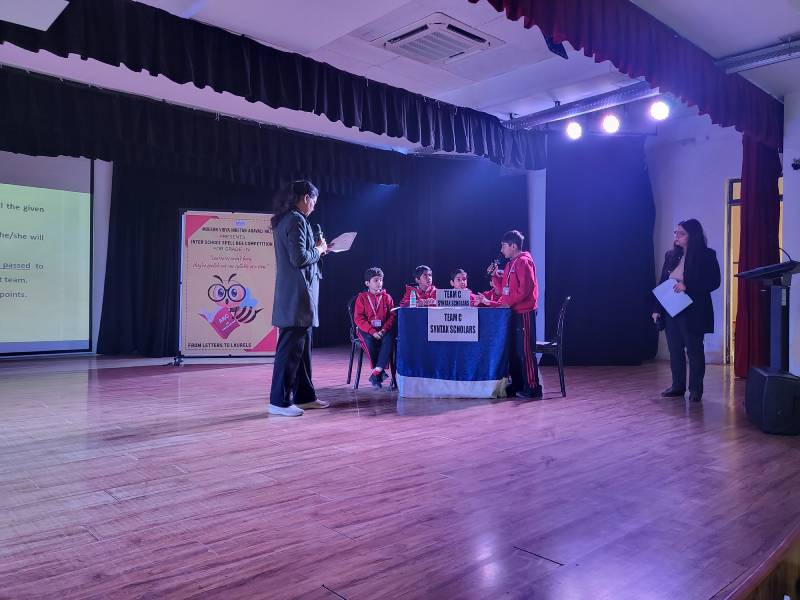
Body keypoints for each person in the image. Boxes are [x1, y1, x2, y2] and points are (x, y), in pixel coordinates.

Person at [268, 180, 330, 417]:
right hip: (297, 297)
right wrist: (320, 250)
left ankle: (305, 397)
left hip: (297, 297)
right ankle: (279, 402)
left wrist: (317, 249)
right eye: (313, 200)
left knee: (302, 353)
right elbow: (300, 259)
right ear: (305, 198)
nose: (314, 205)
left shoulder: (286, 219)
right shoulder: (296, 220)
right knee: (289, 352)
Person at [652, 218, 721, 402]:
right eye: (676, 232)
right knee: (675, 349)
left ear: (693, 236)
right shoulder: (670, 255)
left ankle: (696, 389)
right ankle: (677, 386)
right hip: (671, 309)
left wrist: (687, 286)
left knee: (694, 350)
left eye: (681, 233)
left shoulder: (707, 255)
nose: (677, 236)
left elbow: (714, 282)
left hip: (693, 310)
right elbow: (662, 283)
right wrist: (657, 308)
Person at [484, 230, 542, 398]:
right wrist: (494, 275)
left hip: (524, 312)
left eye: (504, 246)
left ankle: (533, 387)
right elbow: (503, 290)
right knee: (515, 352)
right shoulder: (511, 264)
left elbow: (525, 290)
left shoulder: (523, 261)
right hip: (514, 312)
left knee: (525, 351)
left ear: (513, 246)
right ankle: (518, 384)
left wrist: (507, 302)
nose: (501, 250)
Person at [353, 267, 396, 388]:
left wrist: (383, 330)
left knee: (389, 338)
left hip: (383, 329)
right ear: (367, 283)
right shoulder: (362, 298)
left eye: (381, 280)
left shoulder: (387, 297)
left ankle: (376, 372)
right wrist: (372, 332)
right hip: (366, 329)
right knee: (369, 340)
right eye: (376, 280)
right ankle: (379, 371)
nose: (379, 283)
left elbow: (392, 316)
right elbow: (359, 319)